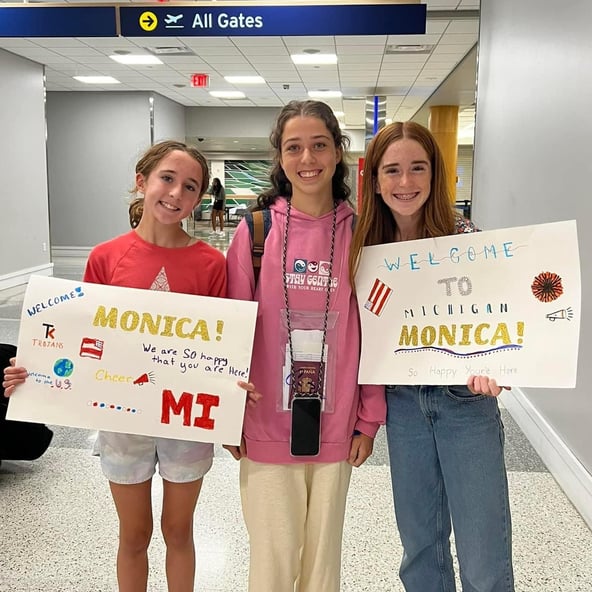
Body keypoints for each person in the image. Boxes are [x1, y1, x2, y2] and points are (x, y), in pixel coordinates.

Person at [3, 139, 260, 592]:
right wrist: (36, 374)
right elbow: (83, 340)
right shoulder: (106, 257)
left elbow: (223, 348)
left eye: (190, 187)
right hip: (121, 417)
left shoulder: (210, 264)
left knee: (179, 531)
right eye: (167, 179)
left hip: (185, 416)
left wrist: (233, 394)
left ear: (200, 199)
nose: (176, 193)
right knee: (134, 535)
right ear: (141, 182)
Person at [225, 100, 386, 592]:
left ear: (338, 152)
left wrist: (369, 419)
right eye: (294, 147)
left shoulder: (363, 235)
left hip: (337, 425)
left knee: (322, 564)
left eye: (319, 144)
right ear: (280, 157)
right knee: (273, 562)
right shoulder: (255, 232)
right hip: (265, 422)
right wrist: (226, 415)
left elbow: (376, 334)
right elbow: (232, 332)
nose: (307, 157)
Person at [349, 121, 514, 592]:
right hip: (403, 407)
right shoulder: (367, 249)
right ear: (375, 179)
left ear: (435, 174)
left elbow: (504, 318)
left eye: (417, 168)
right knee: (420, 551)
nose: (405, 183)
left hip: (465, 404)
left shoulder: (465, 238)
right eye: (393, 170)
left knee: (484, 557)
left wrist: (499, 368)